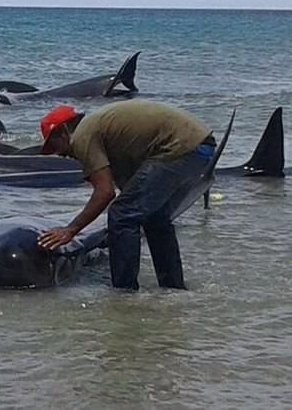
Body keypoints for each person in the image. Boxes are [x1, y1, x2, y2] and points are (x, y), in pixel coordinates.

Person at [36, 100, 216, 290]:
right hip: (200, 145)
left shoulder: (82, 136)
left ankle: (124, 292)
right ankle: (172, 287)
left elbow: (105, 193)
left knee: (121, 214)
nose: (59, 155)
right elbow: (129, 188)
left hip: (180, 146)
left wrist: (70, 230)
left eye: (54, 146)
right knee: (155, 217)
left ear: (64, 131)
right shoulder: (105, 132)